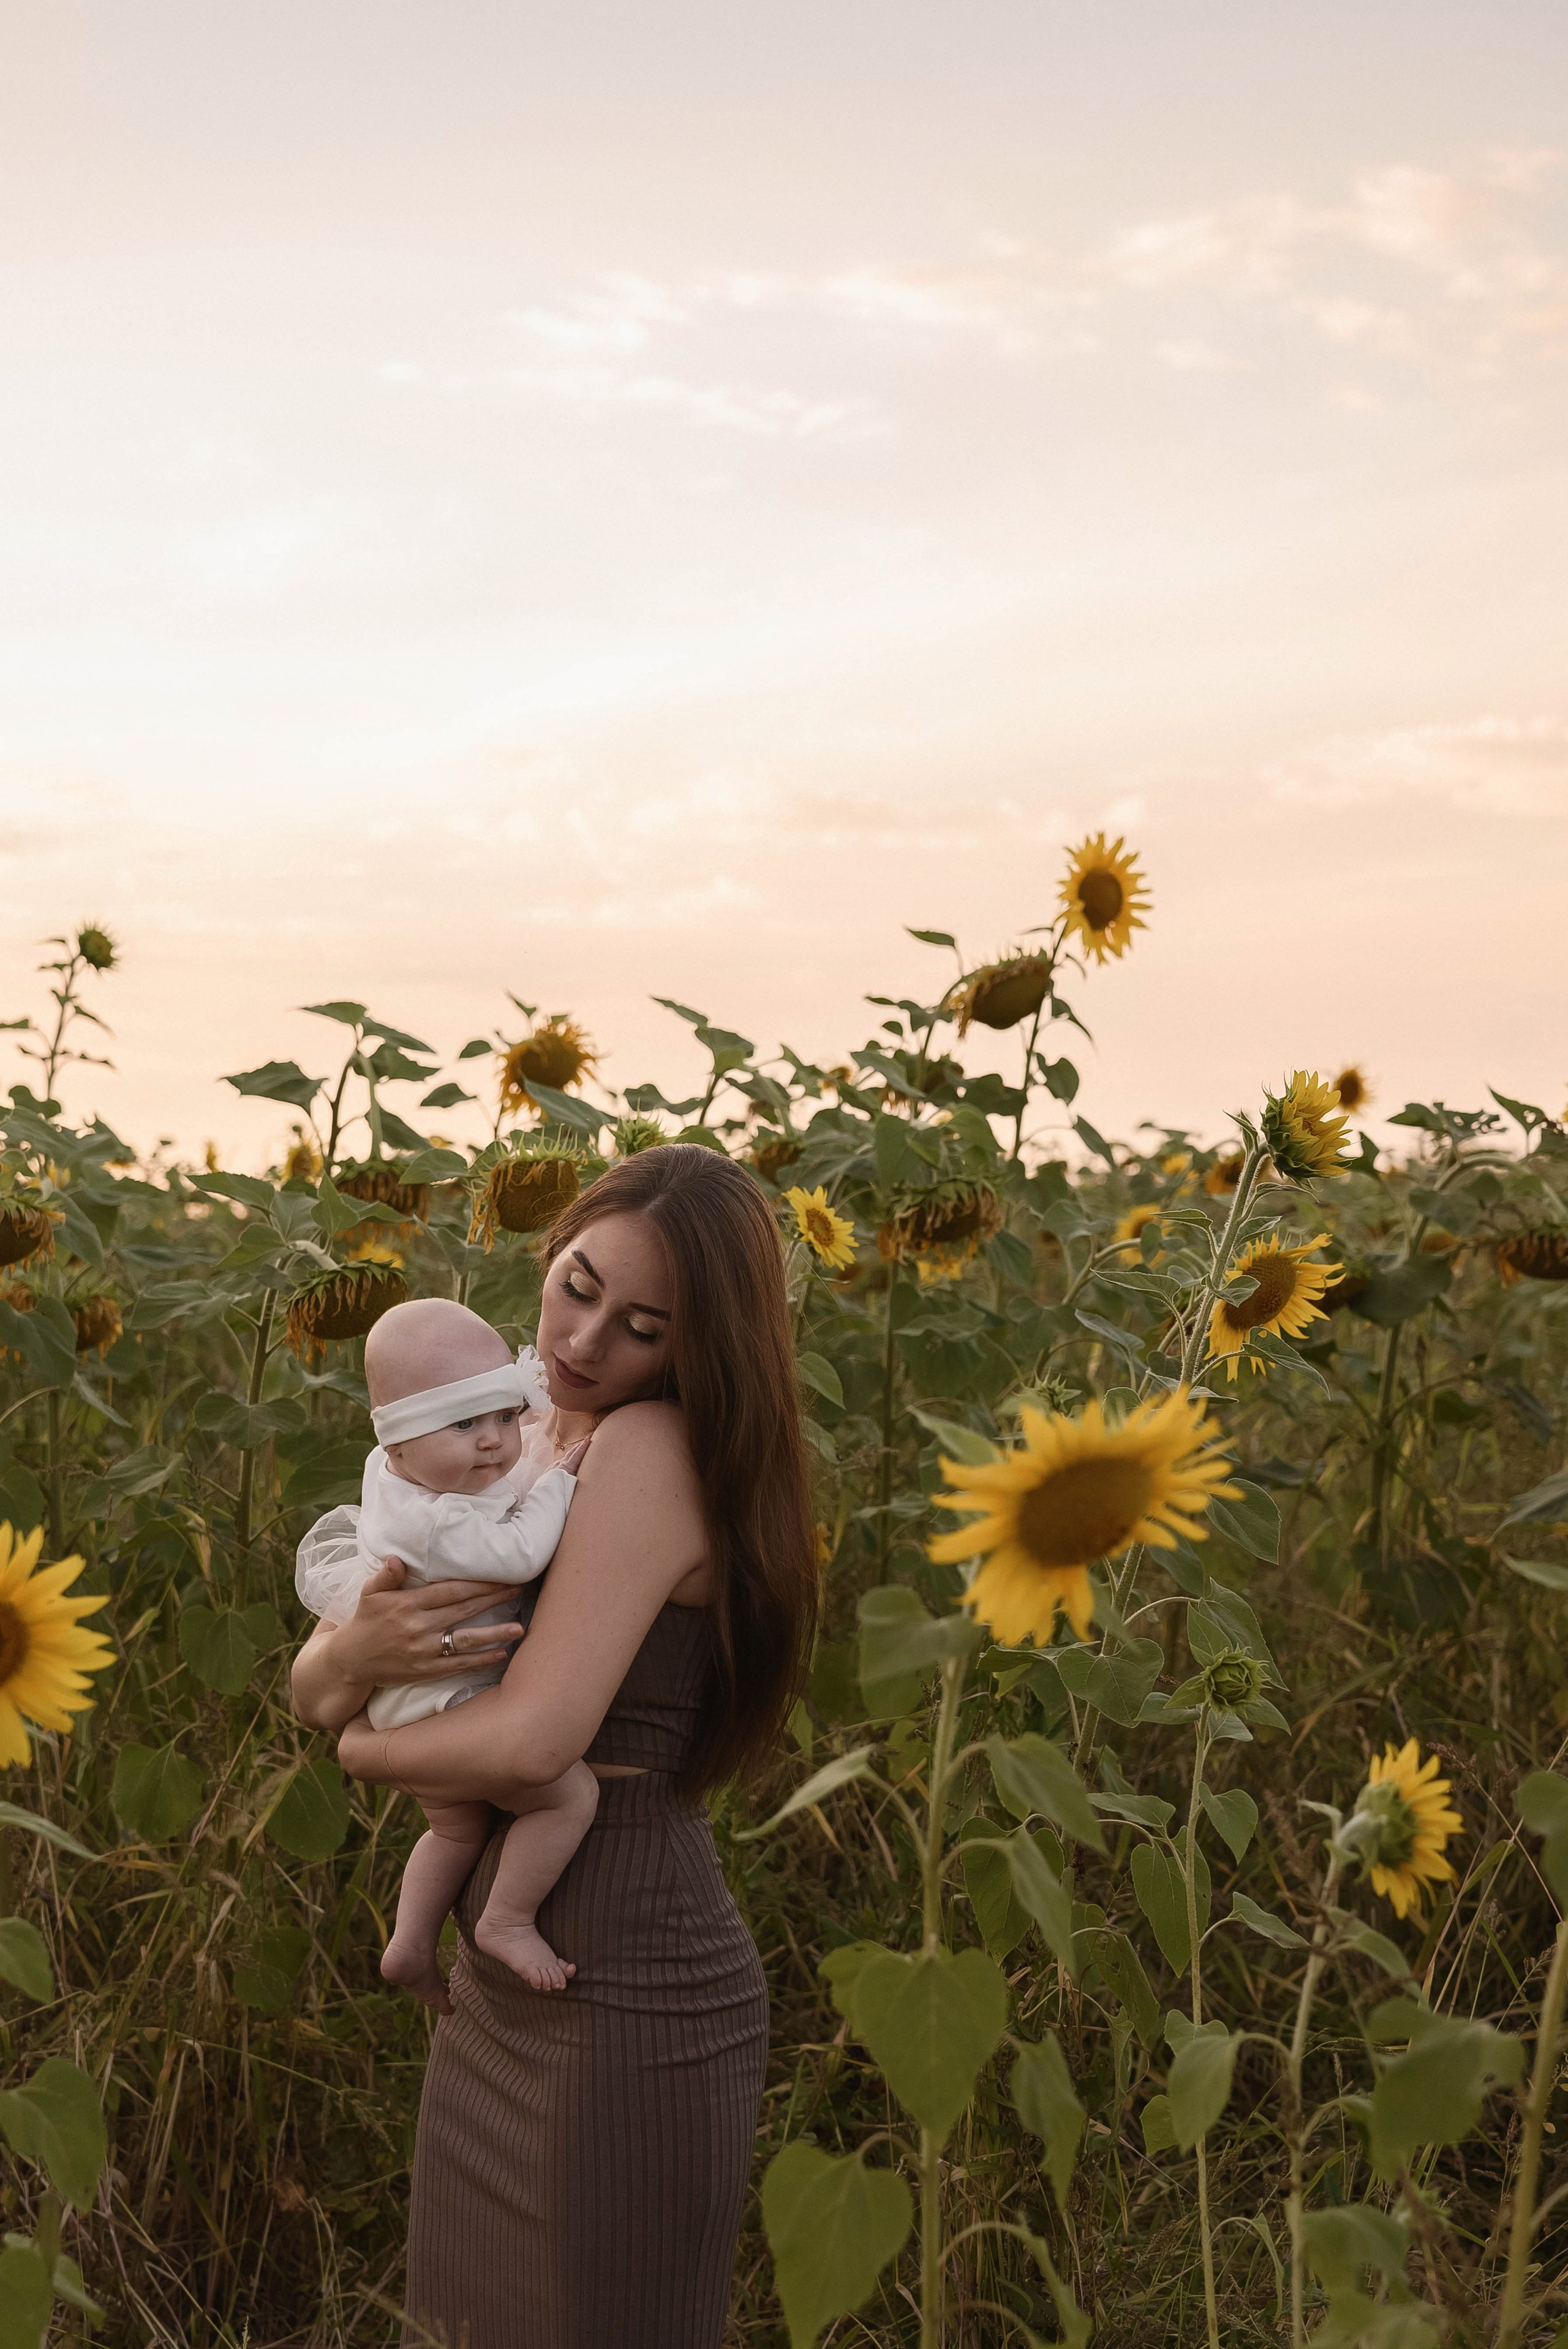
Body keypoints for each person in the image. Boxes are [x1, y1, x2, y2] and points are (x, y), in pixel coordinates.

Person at [289, 1144, 818, 2349]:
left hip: (621, 1984)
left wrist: (364, 1751)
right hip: (505, 1979)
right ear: (550, 1251)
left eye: (642, 1326)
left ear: (699, 1347)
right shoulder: (506, 1431)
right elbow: (316, 1678)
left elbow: (533, 1744)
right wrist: (355, 1656)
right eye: (576, 1287)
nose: (584, 1344)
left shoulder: (650, 1450)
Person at [293, 1297, 596, 2002]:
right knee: (567, 1797)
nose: (494, 1441)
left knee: (454, 1832)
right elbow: (520, 1551)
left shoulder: (406, 1474)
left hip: (410, 1707)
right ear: (397, 1442)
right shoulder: (434, 1522)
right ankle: (507, 1919)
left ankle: (407, 1943)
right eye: (463, 1423)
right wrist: (559, 1479)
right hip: (452, 1700)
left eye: (502, 1415)